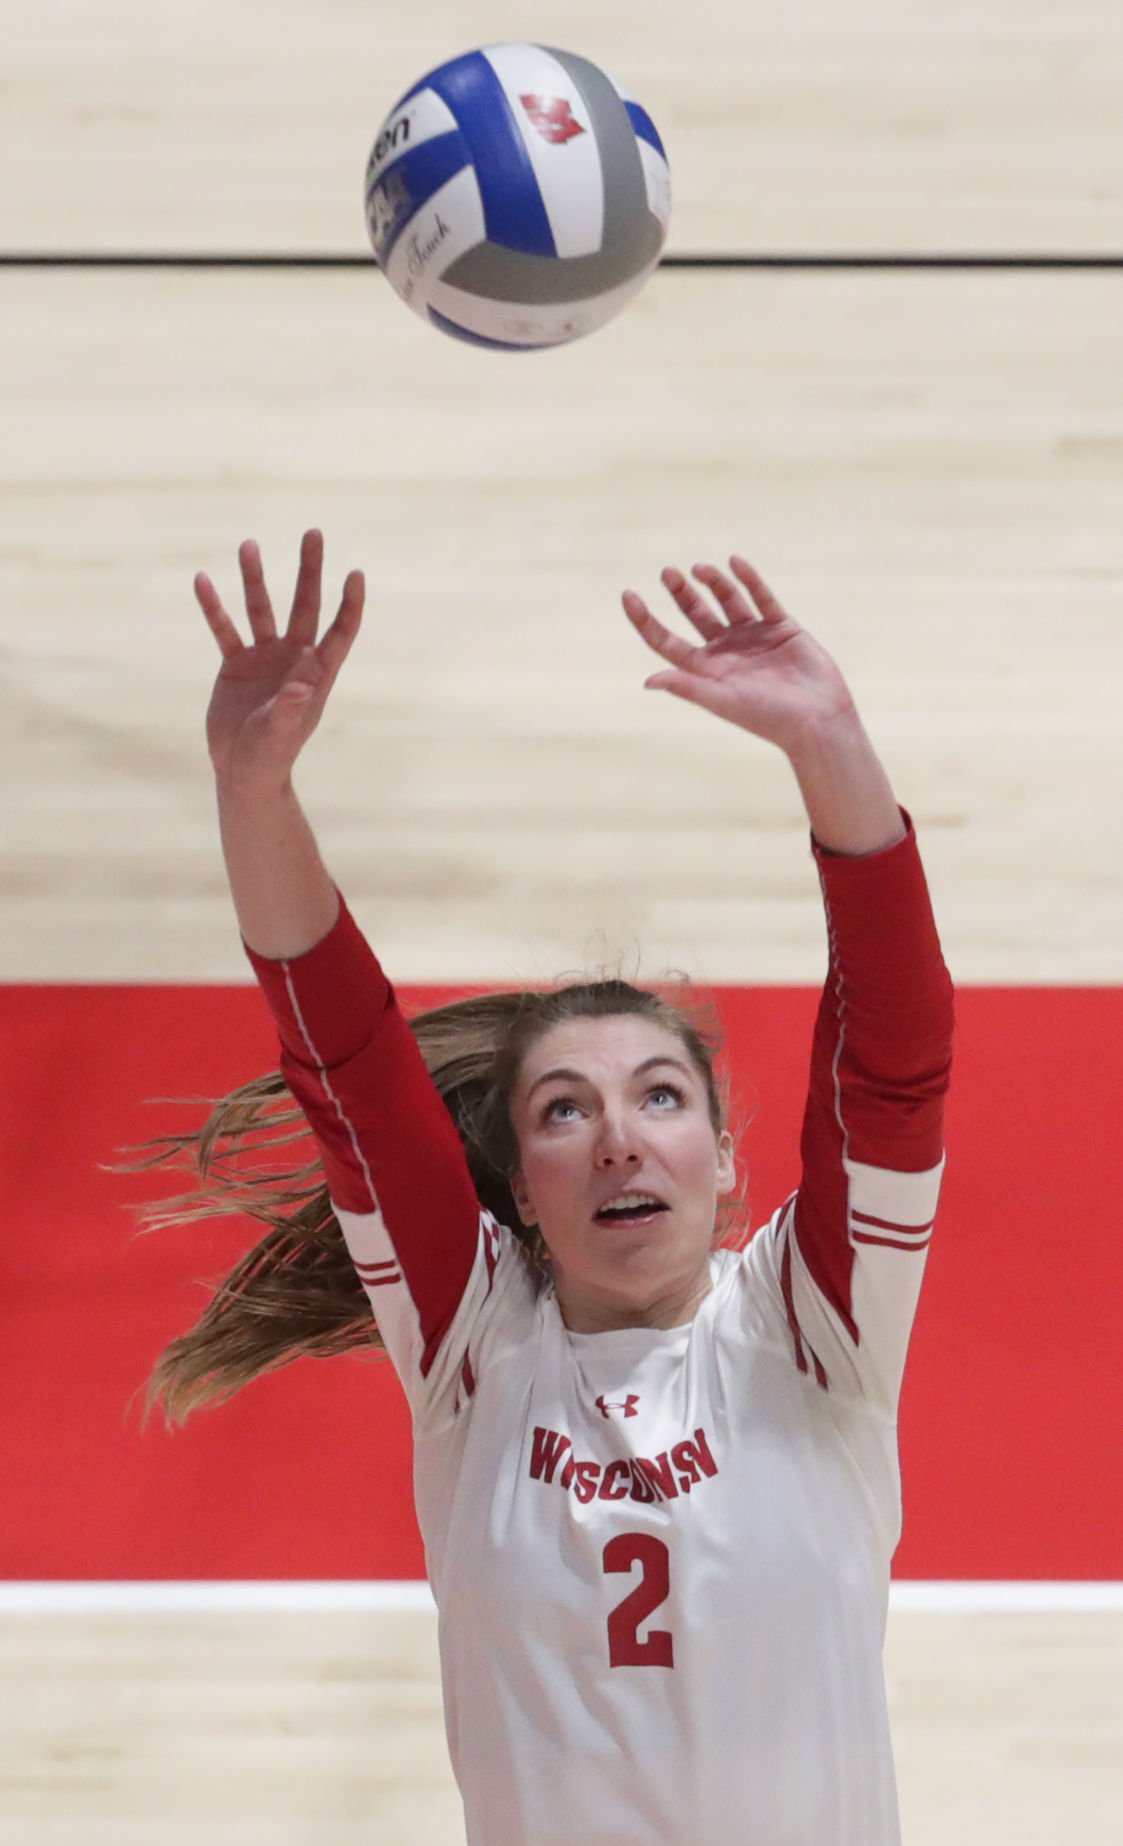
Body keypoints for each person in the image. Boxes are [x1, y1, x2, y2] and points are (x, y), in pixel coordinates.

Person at [146, 528, 954, 1846]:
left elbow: (896, 1060)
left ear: (727, 1158)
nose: (620, 1139)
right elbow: (348, 1068)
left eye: (659, 1094)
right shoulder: (479, 1350)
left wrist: (833, 753)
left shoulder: (812, 1337)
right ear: (519, 1187)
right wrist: (255, 794)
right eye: (566, 1110)